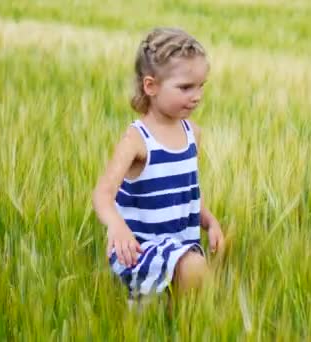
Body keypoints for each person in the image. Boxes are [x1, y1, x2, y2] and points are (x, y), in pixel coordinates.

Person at [92, 27, 225, 305]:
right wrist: (117, 227)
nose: (197, 95)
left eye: (202, 85)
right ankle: (149, 308)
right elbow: (102, 195)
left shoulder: (193, 134)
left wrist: (210, 221)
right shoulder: (137, 140)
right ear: (150, 86)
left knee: (203, 269)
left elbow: (185, 194)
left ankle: (172, 318)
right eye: (186, 87)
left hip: (181, 246)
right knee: (196, 269)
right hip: (139, 250)